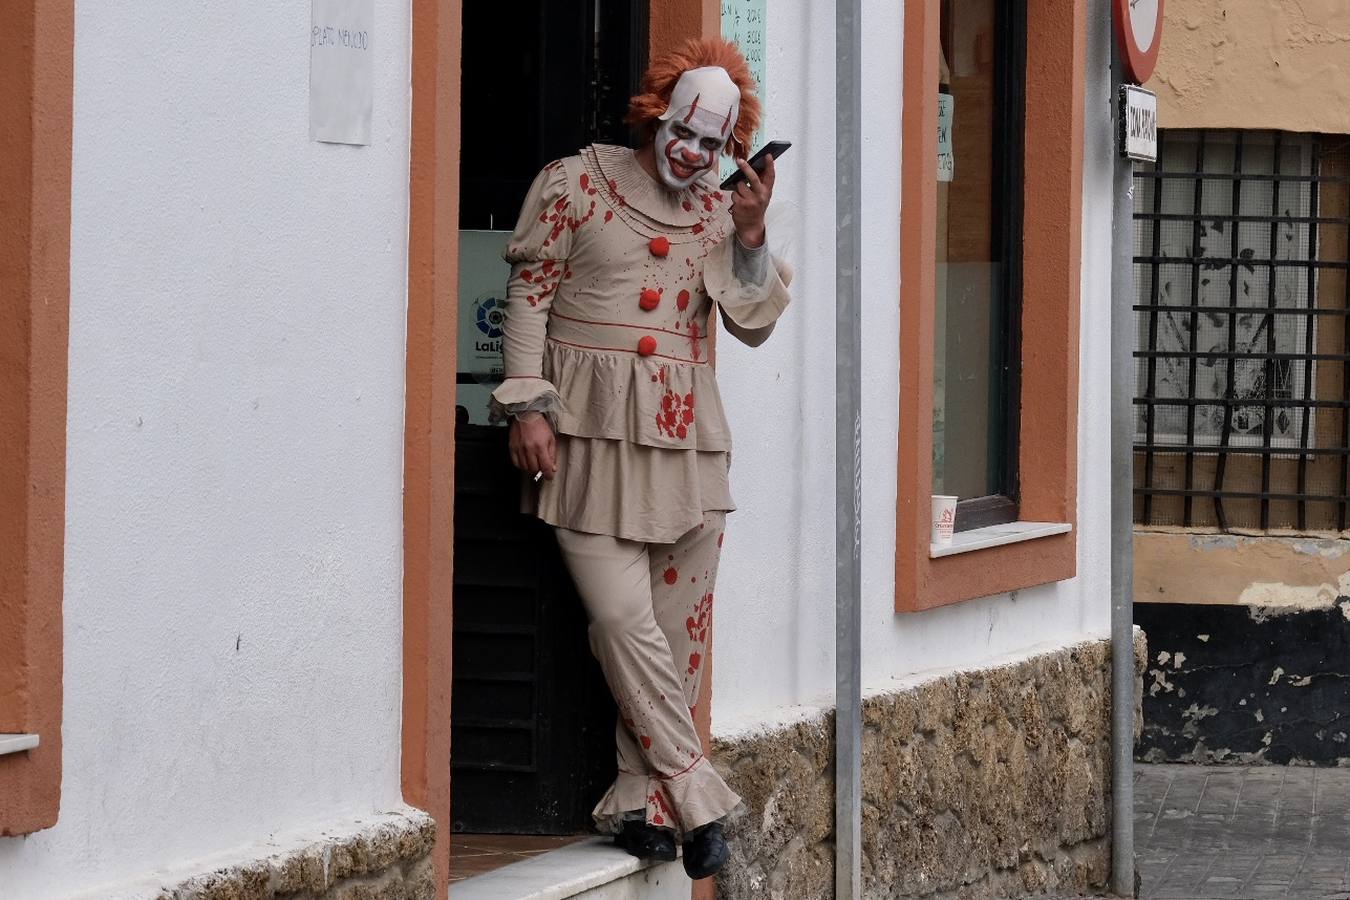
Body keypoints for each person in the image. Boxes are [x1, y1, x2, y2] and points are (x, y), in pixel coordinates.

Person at [490, 37, 791, 881]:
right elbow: (530, 289)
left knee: (677, 635)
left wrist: (753, 232)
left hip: (689, 443)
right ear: (657, 112)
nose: (692, 154)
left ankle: (639, 801)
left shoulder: (719, 211)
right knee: (623, 622)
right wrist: (526, 398)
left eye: (712, 144)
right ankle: (697, 795)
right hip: (586, 437)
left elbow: (755, 325)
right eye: (682, 133)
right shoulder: (576, 181)